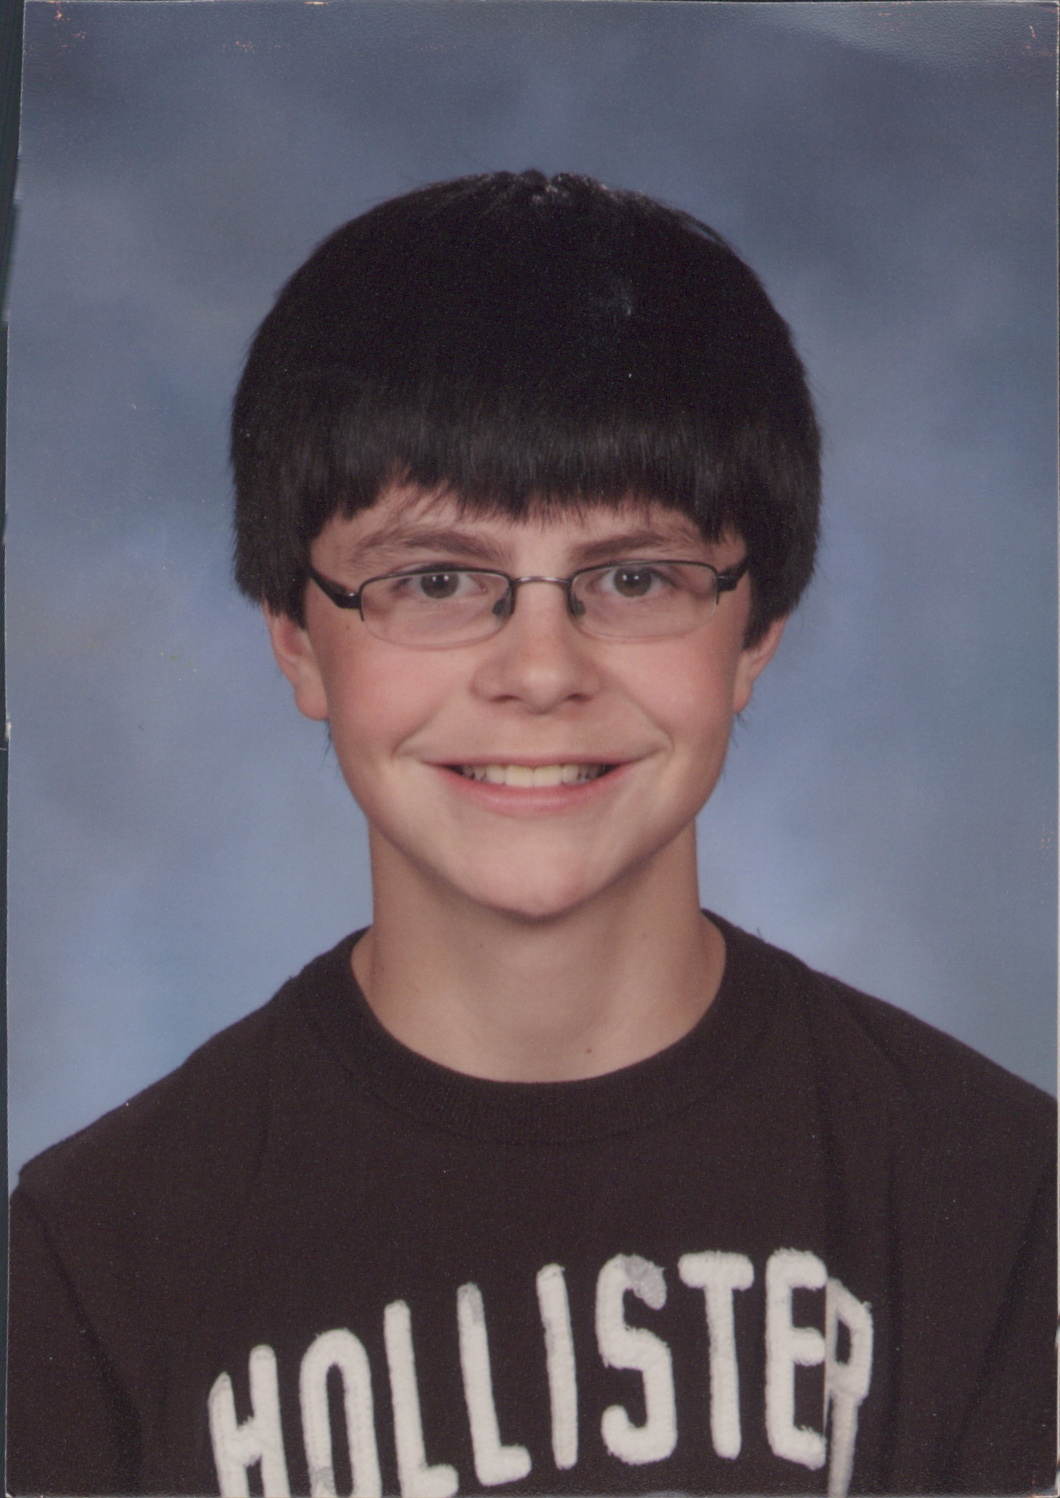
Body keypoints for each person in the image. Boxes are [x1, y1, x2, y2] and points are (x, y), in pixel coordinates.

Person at [7, 171, 1055, 1498]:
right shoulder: (94, 1251)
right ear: (297, 636)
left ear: (756, 632)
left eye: (635, 576)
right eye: (438, 579)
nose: (542, 671)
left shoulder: (999, 1194)